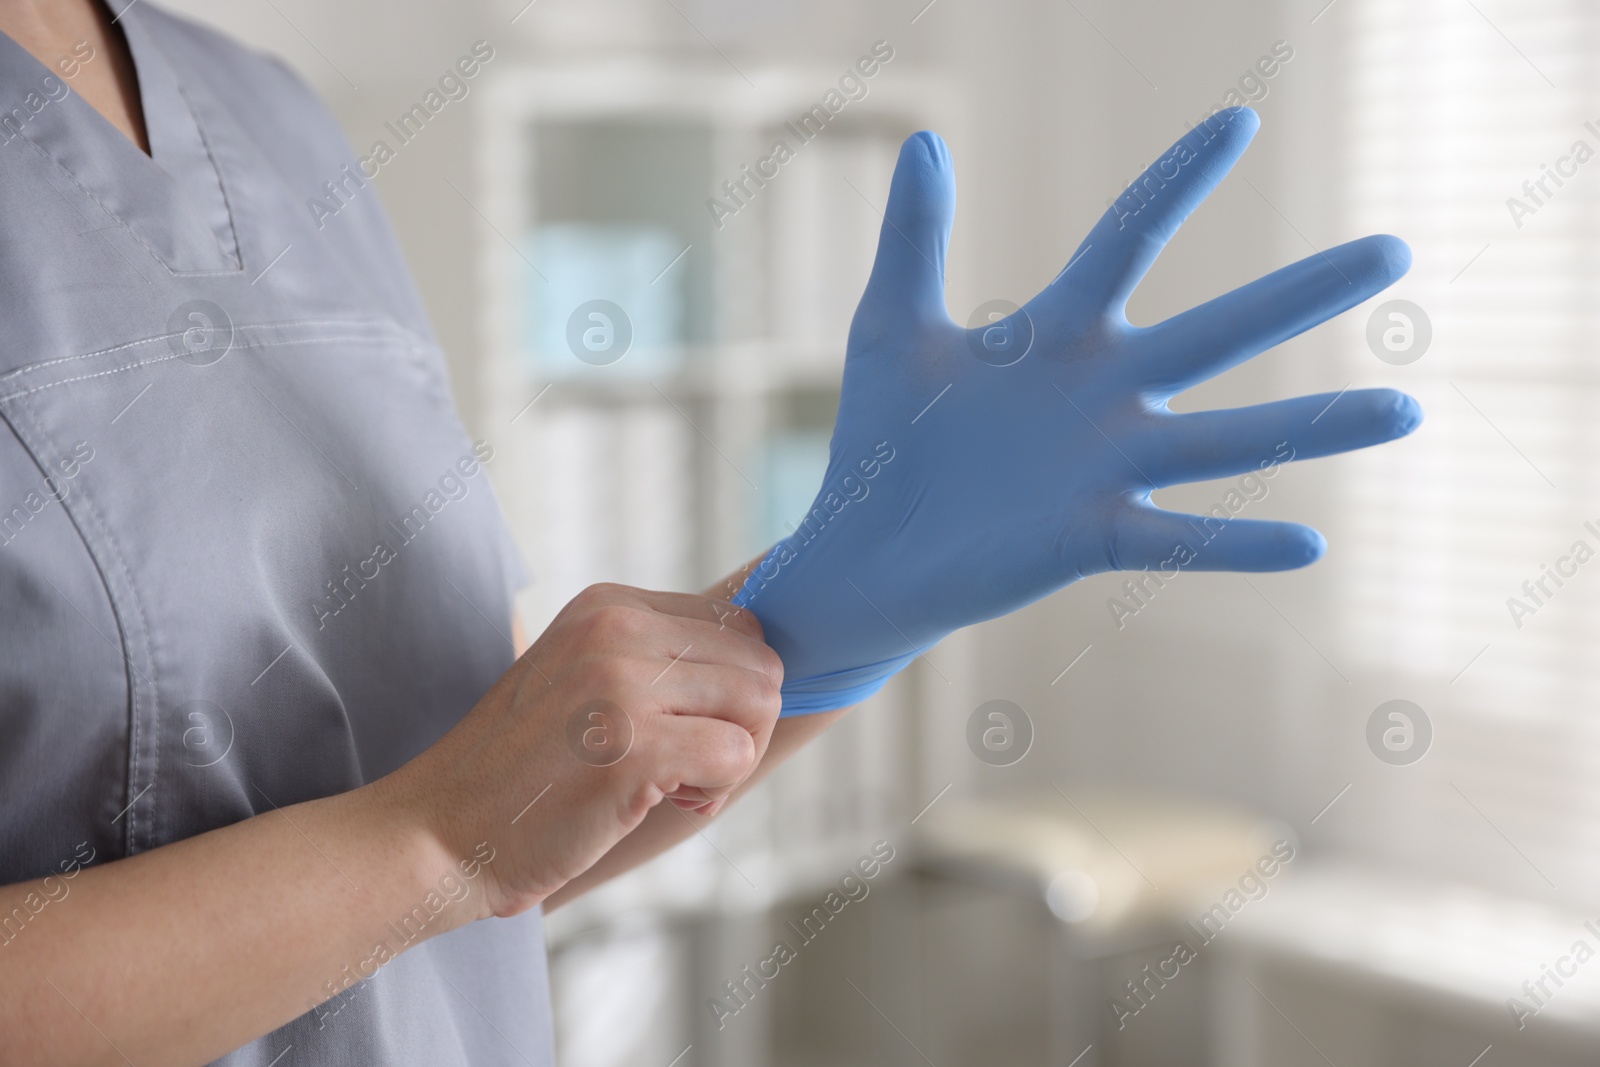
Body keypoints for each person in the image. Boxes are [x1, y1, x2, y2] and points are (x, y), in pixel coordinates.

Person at [0, 2, 1420, 1065]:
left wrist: (824, 608)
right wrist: (434, 846)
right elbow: (448, 834)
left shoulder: (266, 114)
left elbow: (508, 815)